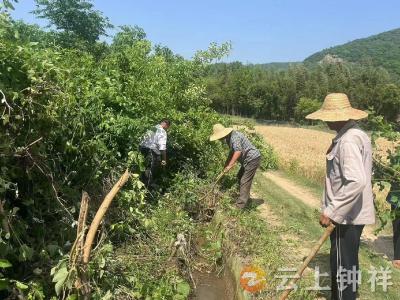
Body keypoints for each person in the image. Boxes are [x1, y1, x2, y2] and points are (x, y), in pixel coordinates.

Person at [306, 93, 375, 300]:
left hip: (346, 216)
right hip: (352, 213)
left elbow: (356, 180)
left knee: (342, 265)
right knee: (347, 262)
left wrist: (332, 211)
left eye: (327, 117)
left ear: (338, 116)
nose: (325, 121)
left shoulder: (348, 141)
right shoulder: (356, 134)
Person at [209, 124, 261, 209]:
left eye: (219, 137)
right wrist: (226, 165)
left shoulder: (234, 137)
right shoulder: (229, 138)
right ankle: (243, 197)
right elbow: (232, 152)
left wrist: (230, 165)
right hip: (247, 160)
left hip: (252, 159)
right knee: (239, 177)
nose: (218, 139)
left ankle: (240, 206)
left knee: (244, 180)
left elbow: (238, 152)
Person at [139, 119, 171, 188]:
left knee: (142, 167)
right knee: (150, 169)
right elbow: (162, 147)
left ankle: (141, 185)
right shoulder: (162, 131)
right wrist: (164, 160)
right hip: (152, 152)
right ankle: (147, 188)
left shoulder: (152, 128)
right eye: (168, 127)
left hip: (142, 149)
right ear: (166, 124)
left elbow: (144, 139)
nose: (167, 129)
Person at [387, 114, 400, 269]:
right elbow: (393, 173)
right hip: (397, 196)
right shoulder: (398, 153)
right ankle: (398, 256)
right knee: (398, 224)